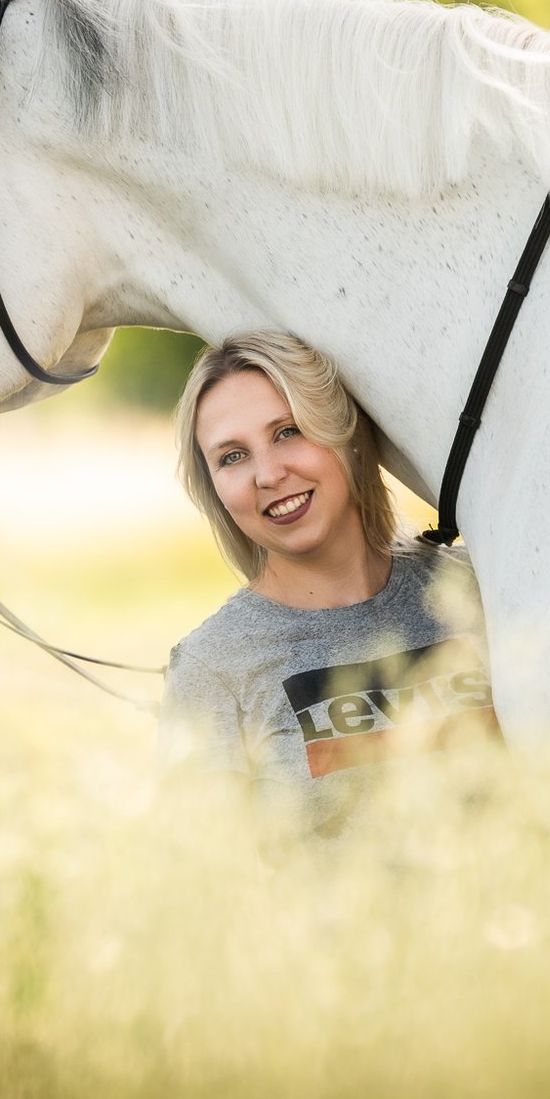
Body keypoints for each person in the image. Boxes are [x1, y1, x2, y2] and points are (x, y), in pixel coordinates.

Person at [158, 330, 499, 851]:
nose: (269, 474)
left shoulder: (478, 589)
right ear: (214, 490)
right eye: (232, 457)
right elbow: (205, 890)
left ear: (343, 430)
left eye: (288, 431)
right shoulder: (213, 666)